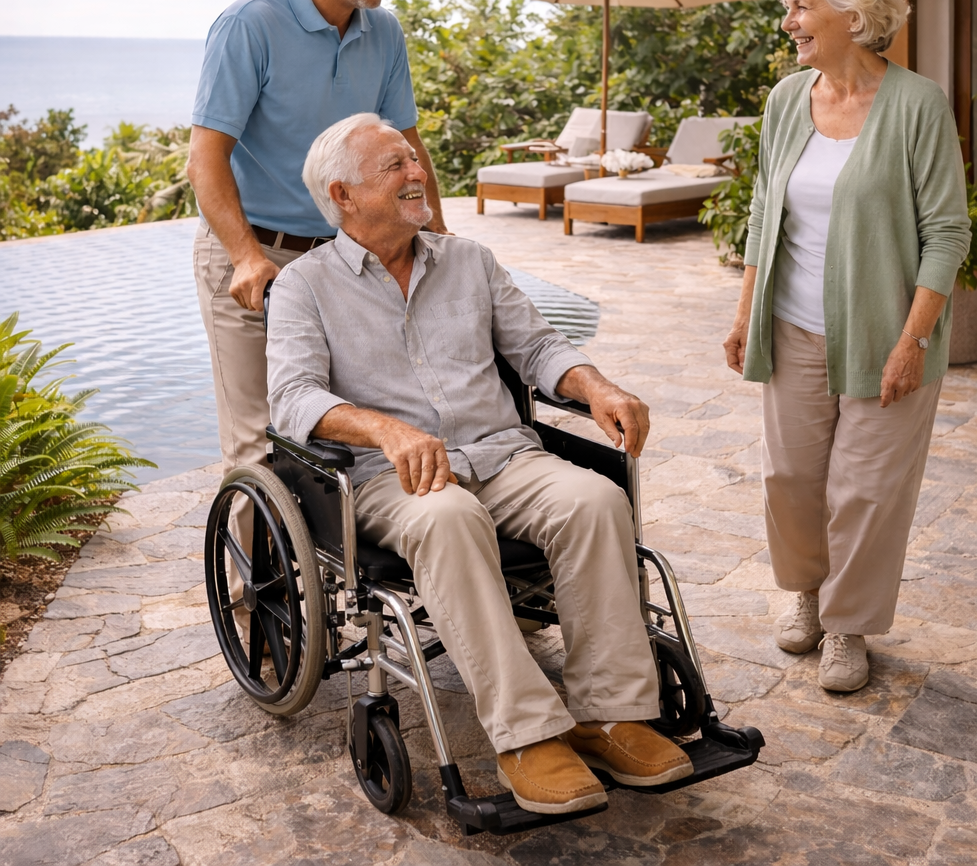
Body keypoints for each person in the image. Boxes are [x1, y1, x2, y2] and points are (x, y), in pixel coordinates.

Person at [266, 113, 693, 815]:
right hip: (391, 479)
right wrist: (385, 431)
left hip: (502, 454)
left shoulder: (470, 261)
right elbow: (292, 399)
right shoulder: (304, 286)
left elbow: (538, 348)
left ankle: (609, 715)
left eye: (413, 160)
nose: (417, 174)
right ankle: (527, 736)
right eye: (395, 167)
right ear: (342, 196)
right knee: (451, 518)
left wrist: (596, 385)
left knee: (594, 501)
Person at [724, 0, 971, 693]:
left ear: (853, 16)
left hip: (884, 335)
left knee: (865, 489)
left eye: (800, 6)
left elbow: (948, 231)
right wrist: (745, 315)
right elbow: (767, 211)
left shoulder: (916, 104)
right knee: (791, 475)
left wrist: (912, 340)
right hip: (791, 324)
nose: (789, 21)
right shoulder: (785, 100)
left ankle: (849, 624)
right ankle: (805, 592)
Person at [188, 0, 447, 507]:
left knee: (347, 429)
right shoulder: (251, 25)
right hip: (255, 257)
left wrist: (436, 237)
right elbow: (206, 159)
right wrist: (247, 255)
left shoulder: (383, 33)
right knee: (260, 442)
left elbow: (407, 147)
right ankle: (259, 607)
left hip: (345, 259)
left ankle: (340, 591)